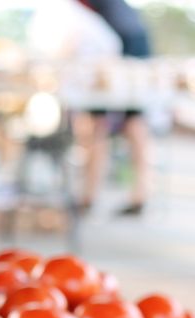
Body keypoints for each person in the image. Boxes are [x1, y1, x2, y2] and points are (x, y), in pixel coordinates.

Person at [76, 0, 153, 215]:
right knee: (131, 121)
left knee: (97, 122)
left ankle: (89, 196)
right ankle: (138, 193)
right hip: (133, 39)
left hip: (118, 45)